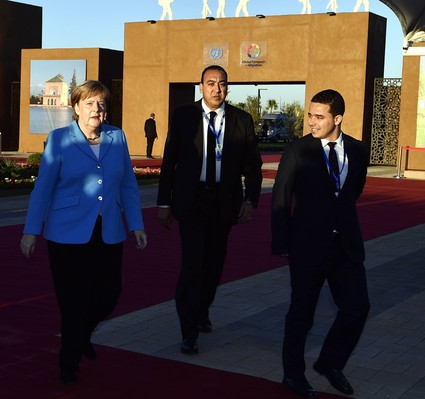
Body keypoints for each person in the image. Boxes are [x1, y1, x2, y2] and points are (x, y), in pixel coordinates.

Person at [20, 80, 147, 385]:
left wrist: (137, 223)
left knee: (109, 295)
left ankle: (80, 336)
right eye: (89, 103)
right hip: (67, 235)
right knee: (73, 301)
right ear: (75, 107)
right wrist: (31, 230)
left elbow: (128, 183)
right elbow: (44, 188)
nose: (96, 109)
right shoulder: (59, 138)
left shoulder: (117, 137)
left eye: (101, 103)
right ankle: (69, 362)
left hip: (109, 231)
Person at [157, 65, 263, 355]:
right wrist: (164, 203)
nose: (217, 88)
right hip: (192, 201)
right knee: (192, 264)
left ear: (228, 88)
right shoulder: (184, 116)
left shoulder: (242, 120)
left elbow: (253, 166)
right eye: (211, 83)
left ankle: (201, 309)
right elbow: (170, 162)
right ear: (200, 86)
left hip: (224, 202)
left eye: (222, 83)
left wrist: (250, 200)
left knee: (215, 264)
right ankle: (188, 331)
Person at [271, 89, 370, 398]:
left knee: (357, 307)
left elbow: (354, 191)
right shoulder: (298, 149)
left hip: (346, 246)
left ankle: (330, 362)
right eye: (309, 115)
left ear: (337, 118)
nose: (311, 121)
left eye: (319, 116)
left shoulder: (357, 149)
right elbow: (281, 198)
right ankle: (292, 374)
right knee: (302, 314)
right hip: (307, 245)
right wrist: (283, 241)